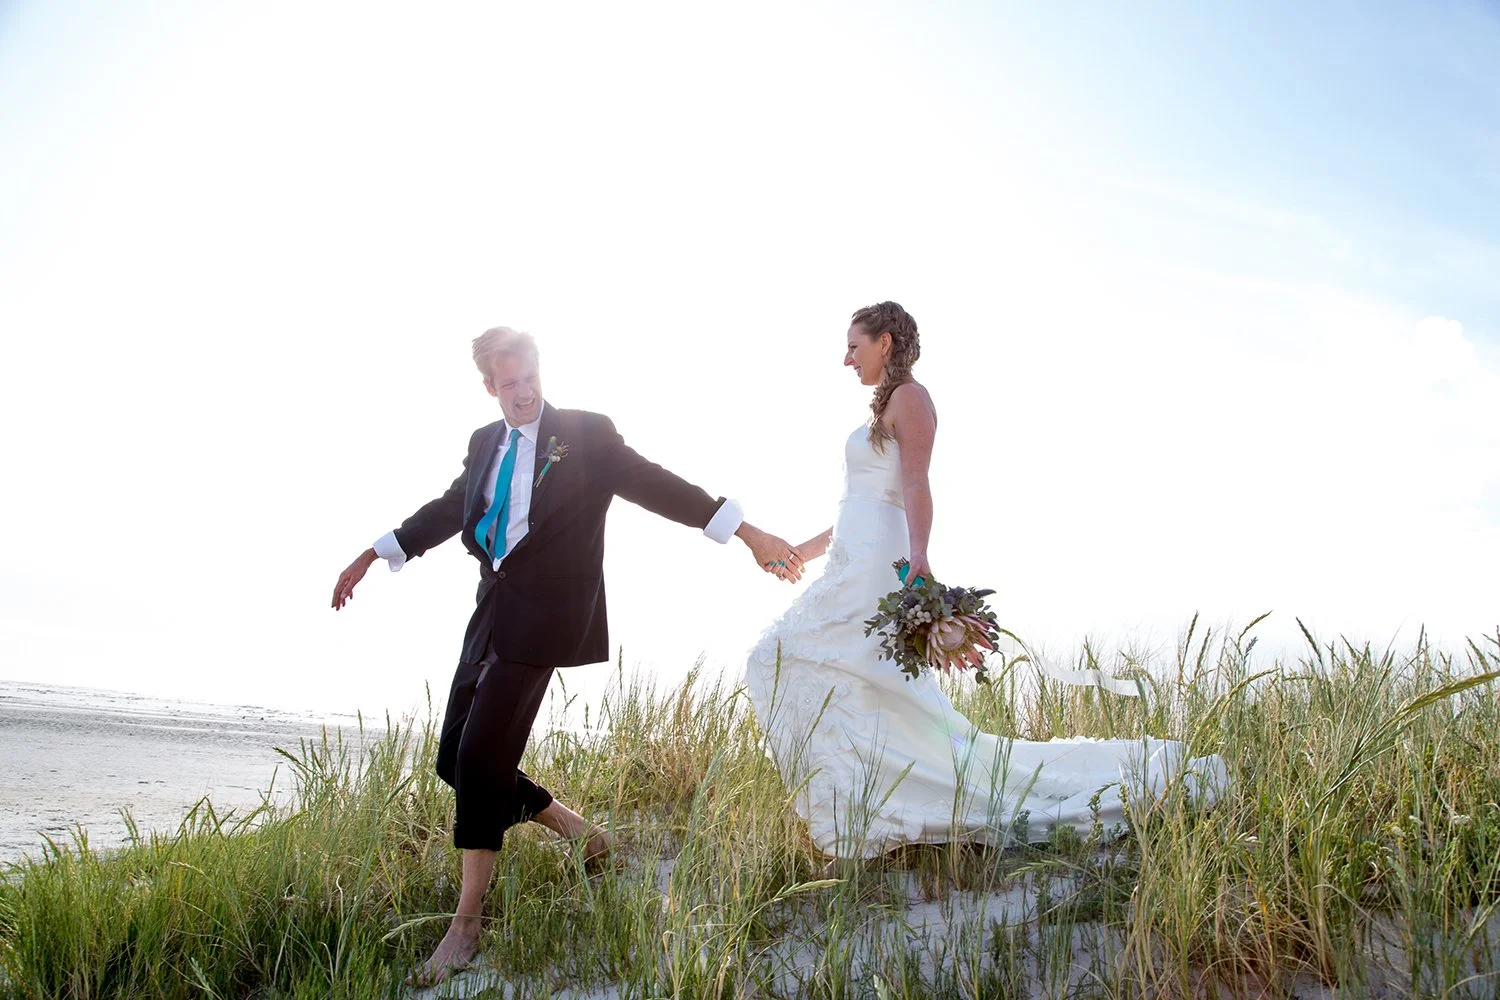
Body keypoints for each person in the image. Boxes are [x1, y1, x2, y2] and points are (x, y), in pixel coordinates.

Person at [331, 326, 801, 986]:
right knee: (454, 760)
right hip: (492, 606)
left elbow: (656, 484)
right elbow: (449, 508)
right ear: (489, 385)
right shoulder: (484, 442)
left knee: (478, 758)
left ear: (540, 373)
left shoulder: (585, 434)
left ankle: (467, 925)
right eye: (509, 383)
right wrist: (374, 553)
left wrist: (745, 530)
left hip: (549, 615)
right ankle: (583, 834)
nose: (523, 393)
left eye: (531, 378)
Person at [744, 302, 1227, 861]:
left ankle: (906, 800)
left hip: (878, 561)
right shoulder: (883, 409)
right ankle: (860, 804)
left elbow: (916, 485)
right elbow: (859, 501)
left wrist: (920, 556)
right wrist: (803, 550)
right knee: (843, 678)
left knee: (777, 657)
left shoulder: (912, 399)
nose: (846, 358)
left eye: (855, 345)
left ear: (887, 343)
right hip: (853, 553)